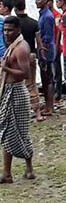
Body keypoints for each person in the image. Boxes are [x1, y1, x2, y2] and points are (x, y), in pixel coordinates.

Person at [0, 16, 34, 183]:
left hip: (17, 92)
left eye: (10, 30)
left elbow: (25, 74)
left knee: (16, 132)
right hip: (8, 91)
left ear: (18, 30)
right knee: (8, 131)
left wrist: (4, 67)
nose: (7, 33)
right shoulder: (12, 46)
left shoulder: (21, 48)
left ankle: (24, 169)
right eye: (5, 30)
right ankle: (8, 173)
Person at [14, 0, 45, 117]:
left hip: (18, 57)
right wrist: (41, 55)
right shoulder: (33, 22)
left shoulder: (14, 24)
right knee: (32, 84)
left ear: (15, 9)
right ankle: (37, 113)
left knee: (19, 85)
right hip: (31, 55)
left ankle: (22, 113)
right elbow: (39, 42)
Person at [35, 0, 56, 119]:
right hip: (43, 49)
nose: (37, 1)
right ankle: (48, 105)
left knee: (47, 78)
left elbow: (47, 37)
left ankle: (50, 107)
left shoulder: (47, 16)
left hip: (46, 50)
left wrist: (43, 53)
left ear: (46, 0)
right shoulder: (43, 14)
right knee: (44, 78)